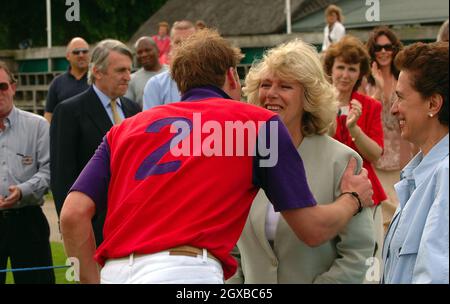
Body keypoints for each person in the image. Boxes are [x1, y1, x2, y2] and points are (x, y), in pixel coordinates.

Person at [60, 29, 374, 284]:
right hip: (186, 271)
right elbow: (312, 230)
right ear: (232, 76)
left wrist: (90, 279)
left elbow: (72, 215)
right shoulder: (258, 124)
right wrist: (353, 200)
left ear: (178, 80)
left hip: (116, 270)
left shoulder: (125, 129)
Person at [227, 40, 375, 284]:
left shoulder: (342, 161)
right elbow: (231, 250)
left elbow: (358, 252)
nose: (271, 93)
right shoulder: (242, 158)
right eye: (265, 85)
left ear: (308, 97)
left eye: (285, 86)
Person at [50, 40, 141, 246]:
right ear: (98, 72)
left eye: (129, 69)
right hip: (92, 224)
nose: (128, 77)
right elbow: (62, 175)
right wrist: (70, 226)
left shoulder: (134, 109)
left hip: (133, 222)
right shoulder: (69, 111)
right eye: (120, 70)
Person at [382, 42, 448, 284]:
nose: (394, 109)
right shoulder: (423, 173)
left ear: (433, 104)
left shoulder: (446, 175)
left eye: (400, 98)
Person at [324, 35, 386, 278]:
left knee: (370, 263)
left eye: (352, 69)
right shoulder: (317, 105)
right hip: (328, 195)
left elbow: (376, 154)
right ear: (330, 69)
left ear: (360, 73)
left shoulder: (370, 106)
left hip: (367, 195)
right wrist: (328, 115)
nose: (345, 75)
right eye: (341, 67)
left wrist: (354, 129)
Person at [0, 61, 54, 284]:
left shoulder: (38, 126)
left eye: (2, 86)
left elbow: (50, 171)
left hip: (28, 220)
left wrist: (22, 191)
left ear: (14, 86)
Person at [364, 27, 417, 233]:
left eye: (388, 47)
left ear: (395, 49)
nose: (383, 51)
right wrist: (377, 90)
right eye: (378, 47)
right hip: (376, 161)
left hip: (402, 160)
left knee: (402, 217)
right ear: (372, 50)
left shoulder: (402, 80)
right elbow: (368, 118)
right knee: (380, 224)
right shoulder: (365, 82)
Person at [143, 20, 196, 110]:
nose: (183, 47)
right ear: (171, 45)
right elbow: (150, 122)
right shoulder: (156, 85)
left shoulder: (212, 82)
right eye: (178, 42)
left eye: (189, 42)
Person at [44, 37, 90, 123]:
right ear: (68, 56)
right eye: (76, 52)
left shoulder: (98, 80)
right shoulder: (57, 82)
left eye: (85, 51)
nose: (81, 55)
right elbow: (49, 114)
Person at [125, 37, 168, 109]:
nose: (144, 55)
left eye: (147, 50)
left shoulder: (173, 73)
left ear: (158, 51)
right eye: (139, 52)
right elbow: (128, 108)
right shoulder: (131, 80)